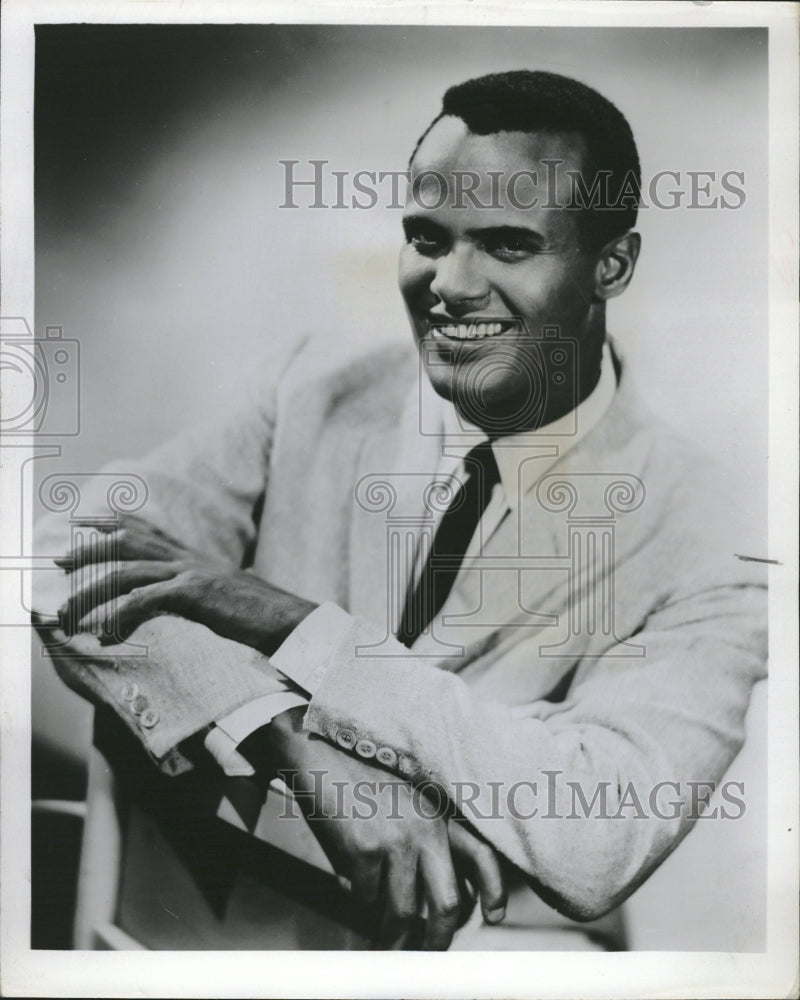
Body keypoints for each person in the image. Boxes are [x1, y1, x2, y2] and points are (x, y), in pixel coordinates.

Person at [34, 70, 767, 951]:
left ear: (610, 264)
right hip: (180, 935)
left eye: (506, 245)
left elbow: (594, 829)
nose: (449, 285)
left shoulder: (718, 532)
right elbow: (63, 551)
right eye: (427, 236)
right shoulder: (319, 386)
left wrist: (295, 628)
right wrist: (284, 737)